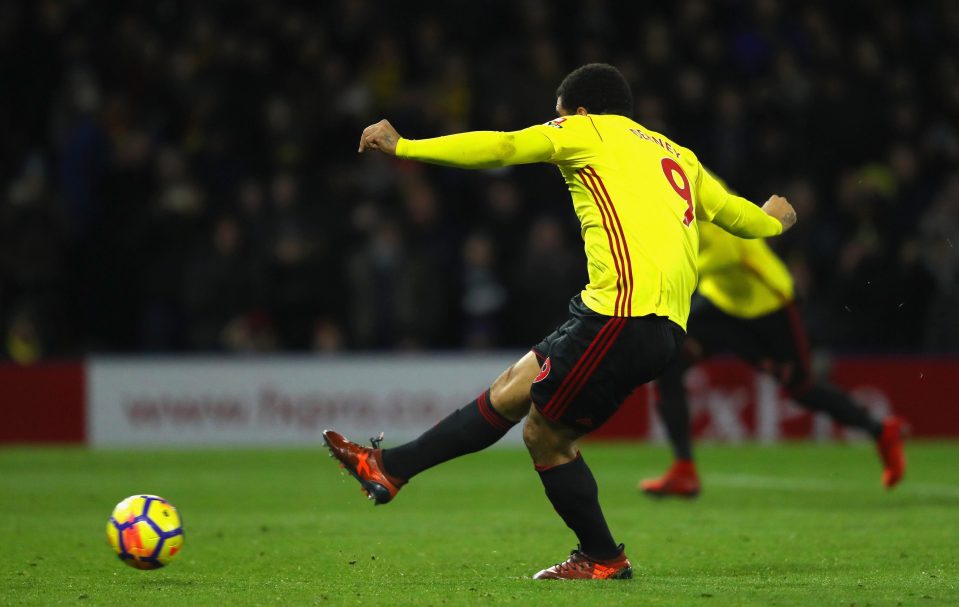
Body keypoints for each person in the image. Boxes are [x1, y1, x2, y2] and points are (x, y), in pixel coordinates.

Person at [323, 63, 796, 580]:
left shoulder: (585, 130)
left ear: (580, 110)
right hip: (636, 318)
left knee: (544, 436)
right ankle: (388, 470)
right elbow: (735, 214)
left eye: (559, 116)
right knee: (510, 389)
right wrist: (774, 218)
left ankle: (603, 557)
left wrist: (405, 147)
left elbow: (503, 148)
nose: (556, 124)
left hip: (622, 316)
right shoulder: (677, 155)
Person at [640, 219, 906, 498]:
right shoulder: (666, 206)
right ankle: (684, 470)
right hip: (723, 300)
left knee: (802, 388)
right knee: (667, 362)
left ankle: (881, 431)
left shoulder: (701, 203)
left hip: (769, 305)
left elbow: (725, 254)